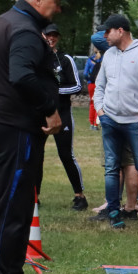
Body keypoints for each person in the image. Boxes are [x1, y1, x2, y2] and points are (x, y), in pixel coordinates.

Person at [0, 0, 70, 274]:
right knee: (11, 210)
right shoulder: (25, 30)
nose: (58, 7)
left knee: (17, 207)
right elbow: (21, 76)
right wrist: (50, 109)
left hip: (3, 124)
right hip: (14, 127)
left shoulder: (5, 21)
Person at [92, 13, 138, 231]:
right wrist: (100, 110)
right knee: (111, 168)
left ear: (120, 31)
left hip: (135, 122)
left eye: (108, 31)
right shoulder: (109, 55)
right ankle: (113, 212)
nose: (104, 36)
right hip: (110, 119)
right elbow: (100, 85)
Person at [43, 24, 88, 211]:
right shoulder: (36, 57)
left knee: (65, 154)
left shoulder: (65, 59)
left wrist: (54, 91)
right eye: (48, 35)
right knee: (36, 155)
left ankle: (80, 196)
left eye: (54, 36)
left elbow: (77, 86)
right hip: (40, 113)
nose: (51, 39)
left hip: (62, 112)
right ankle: (33, 196)